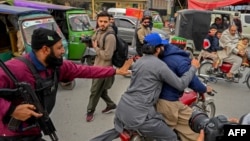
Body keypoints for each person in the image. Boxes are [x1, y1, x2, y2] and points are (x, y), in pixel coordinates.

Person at [0, 27, 130, 140]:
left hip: (34, 129)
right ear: (45, 49)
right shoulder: (15, 68)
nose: (63, 51)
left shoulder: (57, 66)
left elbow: (87, 70)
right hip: (9, 134)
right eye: (59, 47)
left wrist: (116, 71)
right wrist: (11, 110)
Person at [90, 33, 200, 141]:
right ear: (157, 49)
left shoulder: (139, 61)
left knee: (116, 131)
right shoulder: (160, 66)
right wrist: (193, 68)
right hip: (140, 115)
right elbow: (180, 84)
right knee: (171, 137)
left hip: (122, 109)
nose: (164, 48)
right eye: (162, 46)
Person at [156, 40, 213, 141]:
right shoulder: (180, 60)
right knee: (192, 126)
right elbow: (192, 80)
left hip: (155, 98)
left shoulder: (159, 56)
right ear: (185, 47)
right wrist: (204, 88)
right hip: (169, 101)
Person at [86, 11, 117, 122]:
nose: (102, 24)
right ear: (97, 21)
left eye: (105, 21)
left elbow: (108, 56)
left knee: (94, 91)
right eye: (100, 21)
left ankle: (90, 111)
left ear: (109, 22)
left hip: (104, 69)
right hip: (97, 66)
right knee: (101, 90)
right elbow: (93, 39)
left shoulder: (110, 37)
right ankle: (111, 104)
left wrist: (96, 48)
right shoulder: (99, 31)